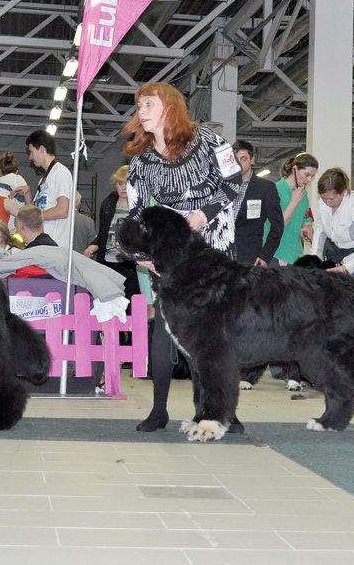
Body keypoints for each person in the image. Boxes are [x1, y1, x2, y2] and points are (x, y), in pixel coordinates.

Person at [122, 81, 242, 433]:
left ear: (169, 106)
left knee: (216, 339)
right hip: (173, 257)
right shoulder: (141, 162)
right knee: (165, 330)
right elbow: (136, 215)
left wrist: (203, 214)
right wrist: (141, 255)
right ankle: (158, 409)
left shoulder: (209, 141)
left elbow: (233, 183)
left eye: (148, 104)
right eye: (139, 105)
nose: (141, 111)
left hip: (216, 248)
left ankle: (220, 411)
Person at [310, 167, 354, 292]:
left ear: (344, 192)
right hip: (334, 255)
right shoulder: (323, 204)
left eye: (331, 199)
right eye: (324, 198)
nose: (327, 203)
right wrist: (315, 259)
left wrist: (346, 268)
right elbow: (320, 232)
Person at [84, 165, 141, 301]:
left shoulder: (139, 206)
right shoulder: (108, 204)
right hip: (108, 262)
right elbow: (103, 233)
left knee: (129, 303)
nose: (122, 187)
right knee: (107, 302)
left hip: (130, 265)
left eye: (126, 183)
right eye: (119, 183)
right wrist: (93, 246)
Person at [12, 130, 73, 250]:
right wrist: (28, 194)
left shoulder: (60, 172)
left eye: (31, 152)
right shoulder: (43, 179)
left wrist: (34, 218)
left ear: (41, 149)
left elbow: (62, 210)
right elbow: (35, 211)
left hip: (55, 245)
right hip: (42, 245)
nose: (30, 157)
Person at [232, 140, 283, 266]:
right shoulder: (221, 187)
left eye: (243, 158)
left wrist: (265, 256)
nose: (239, 163)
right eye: (235, 159)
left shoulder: (265, 188)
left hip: (250, 259)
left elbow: (277, 226)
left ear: (252, 160)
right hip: (222, 258)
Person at [270, 152, 318, 266]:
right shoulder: (274, 191)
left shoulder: (304, 195)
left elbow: (307, 220)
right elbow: (278, 226)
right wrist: (294, 202)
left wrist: (308, 228)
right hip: (276, 255)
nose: (309, 179)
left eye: (312, 176)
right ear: (295, 169)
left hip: (296, 257)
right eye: (306, 175)